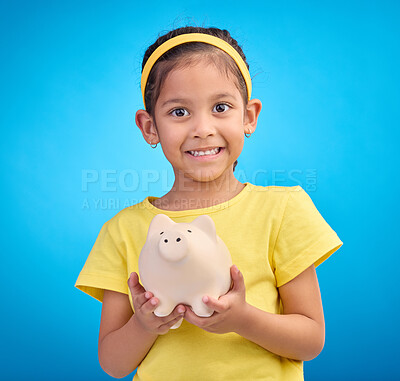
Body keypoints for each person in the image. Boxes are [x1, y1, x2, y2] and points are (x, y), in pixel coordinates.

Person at [75, 26, 343, 380]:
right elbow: (113, 363)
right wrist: (144, 323)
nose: (202, 128)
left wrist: (242, 318)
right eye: (179, 112)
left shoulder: (282, 211)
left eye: (220, 107)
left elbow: (311, 341)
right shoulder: (123, 231)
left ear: (248, 116)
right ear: (149, 127)